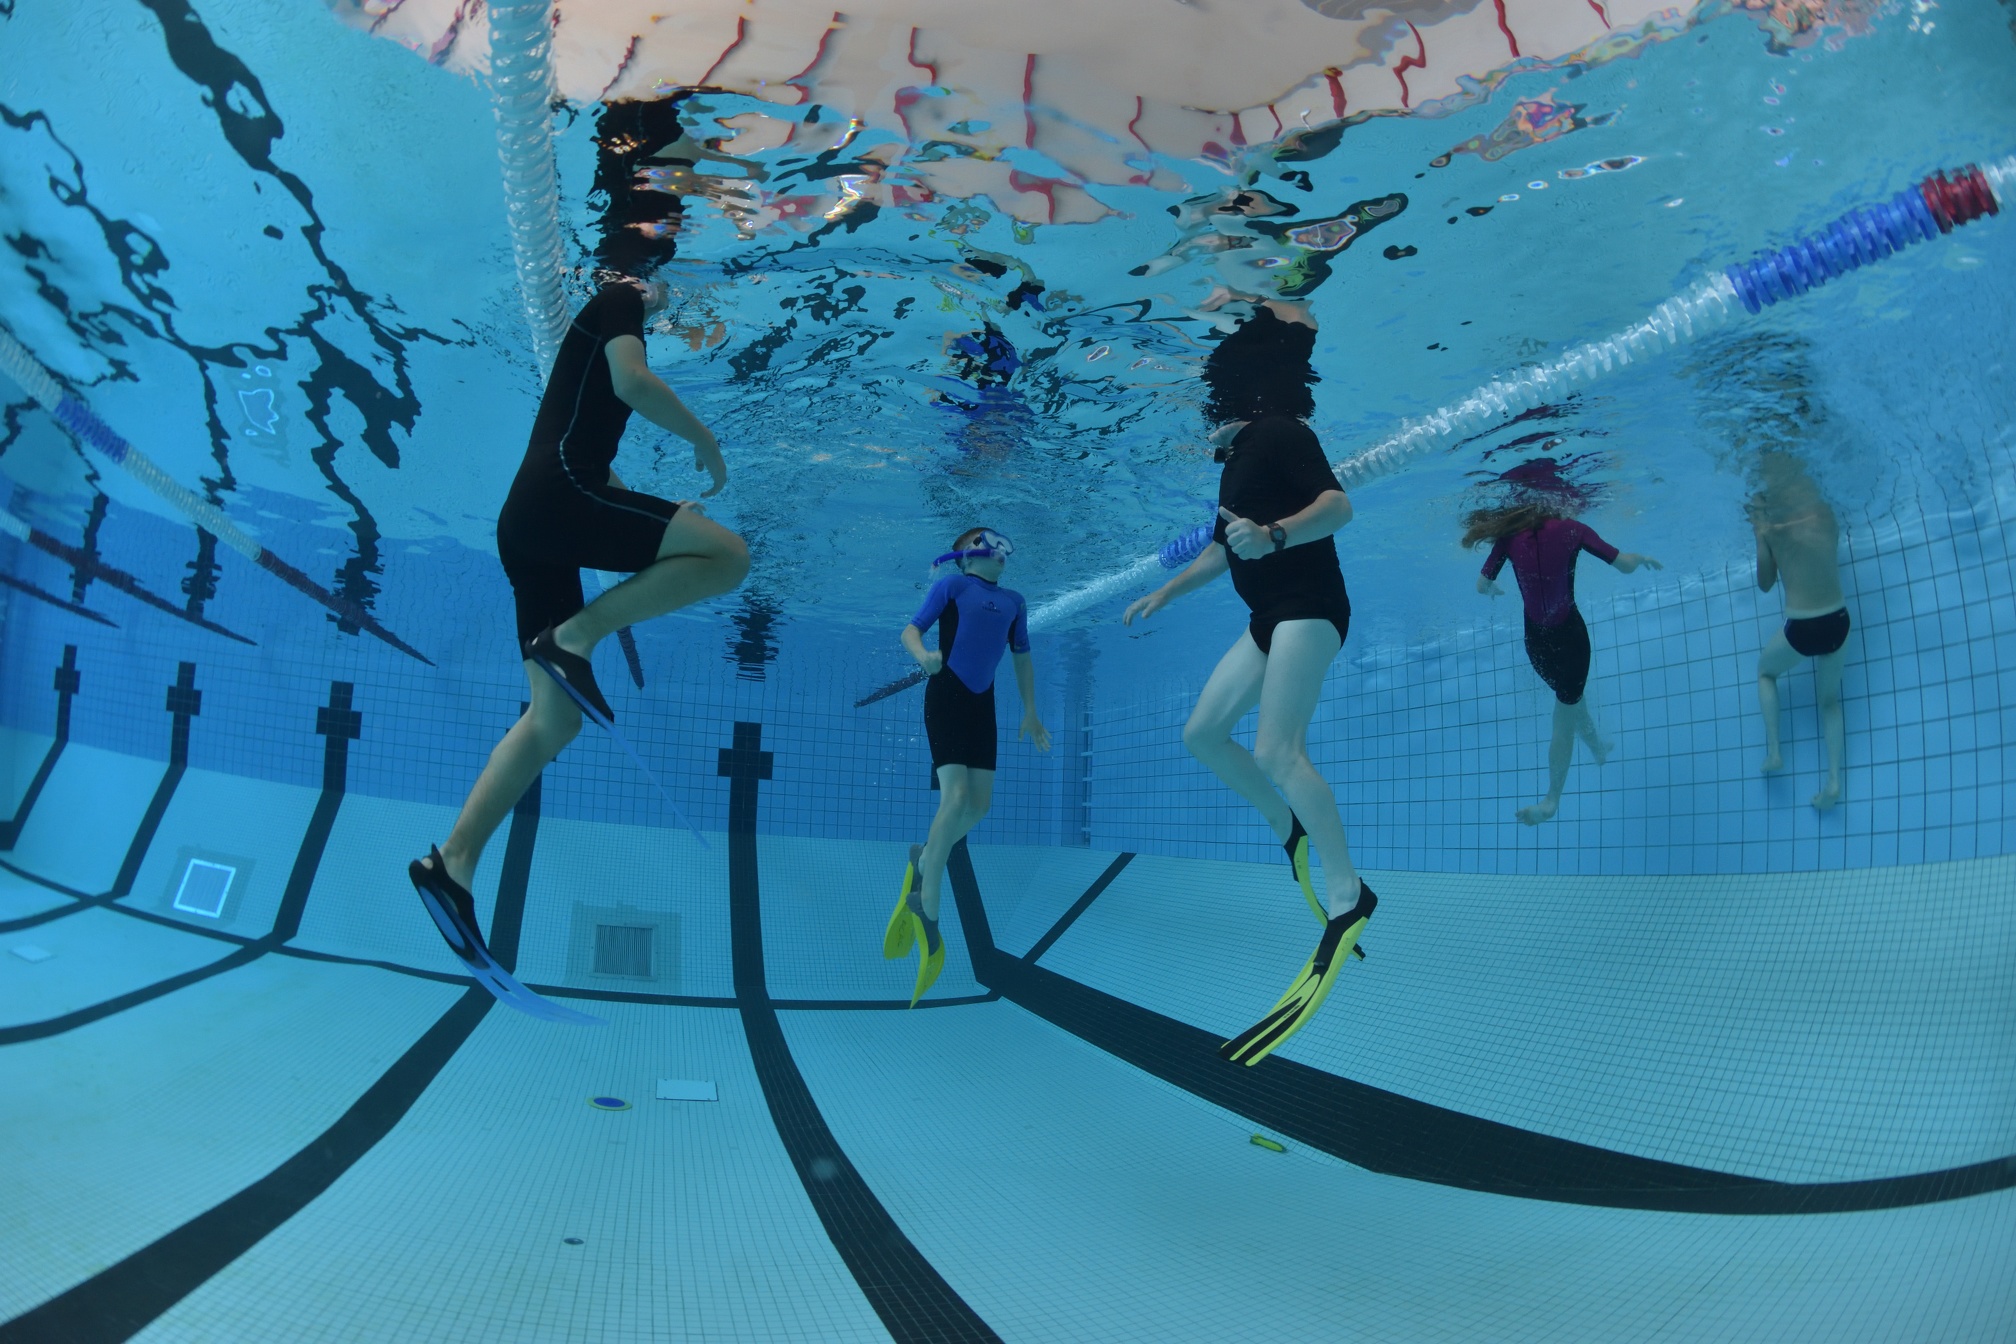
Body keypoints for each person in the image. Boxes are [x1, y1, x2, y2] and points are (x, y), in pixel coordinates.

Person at [409, 275, 748, 972]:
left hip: (536, 520)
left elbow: (593, 453)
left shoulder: (602, 325)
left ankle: (453, 861)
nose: (671, 294)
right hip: (557, 500)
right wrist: (706, 440)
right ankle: (576, 638)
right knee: (728, 557)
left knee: (555, 720)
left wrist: (657, 509)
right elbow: (632, 383)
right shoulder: (621, 297)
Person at [1121, 305, 1372, 1068]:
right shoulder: (1236, 463)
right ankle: (1286, 825)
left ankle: (1349, 893)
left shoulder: (1280, 431)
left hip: (1309, 608)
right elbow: (1221, 550)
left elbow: (1338, 507)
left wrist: (1276, 536)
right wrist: (1166, 592)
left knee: (1277, 751)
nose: (1200, 416)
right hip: (1268, 618)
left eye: (1207, 402)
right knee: (1202, 735)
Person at [885, 528, 1050, 1006]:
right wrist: (924, 657)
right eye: (988, 542)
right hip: (947, 696)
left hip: (983, 706)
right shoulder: (952, 586)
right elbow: (910, 630)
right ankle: (928, 907)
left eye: (1003, 544)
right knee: (955, 798)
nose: (1000, 550)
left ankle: (923, 859)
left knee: (979, 806)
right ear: (966, 556)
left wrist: (1031, 711)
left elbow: (1022, 658)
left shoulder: (1015, 602)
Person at [1464, 501, 1660, 825]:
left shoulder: (1509, 537)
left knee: (1570, 702)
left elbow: (1482, 585)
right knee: (1565, 714)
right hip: (1571, 641)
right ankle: (1552, 800)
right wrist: (1641, 559)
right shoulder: (1573, 529)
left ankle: (1597, 747)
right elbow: (1624, 564)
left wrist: (1495, 590)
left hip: (1536, 644)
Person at [1747, 451, 1850, 809]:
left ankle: (1775, 752)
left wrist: (1761, 534)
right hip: (1839, 621)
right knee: (1829, 700)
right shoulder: (1825, 510)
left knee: (1765, 672)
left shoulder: (1771, 526)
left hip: (1803, 626)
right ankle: (1833, 781)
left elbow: (1765, 584)